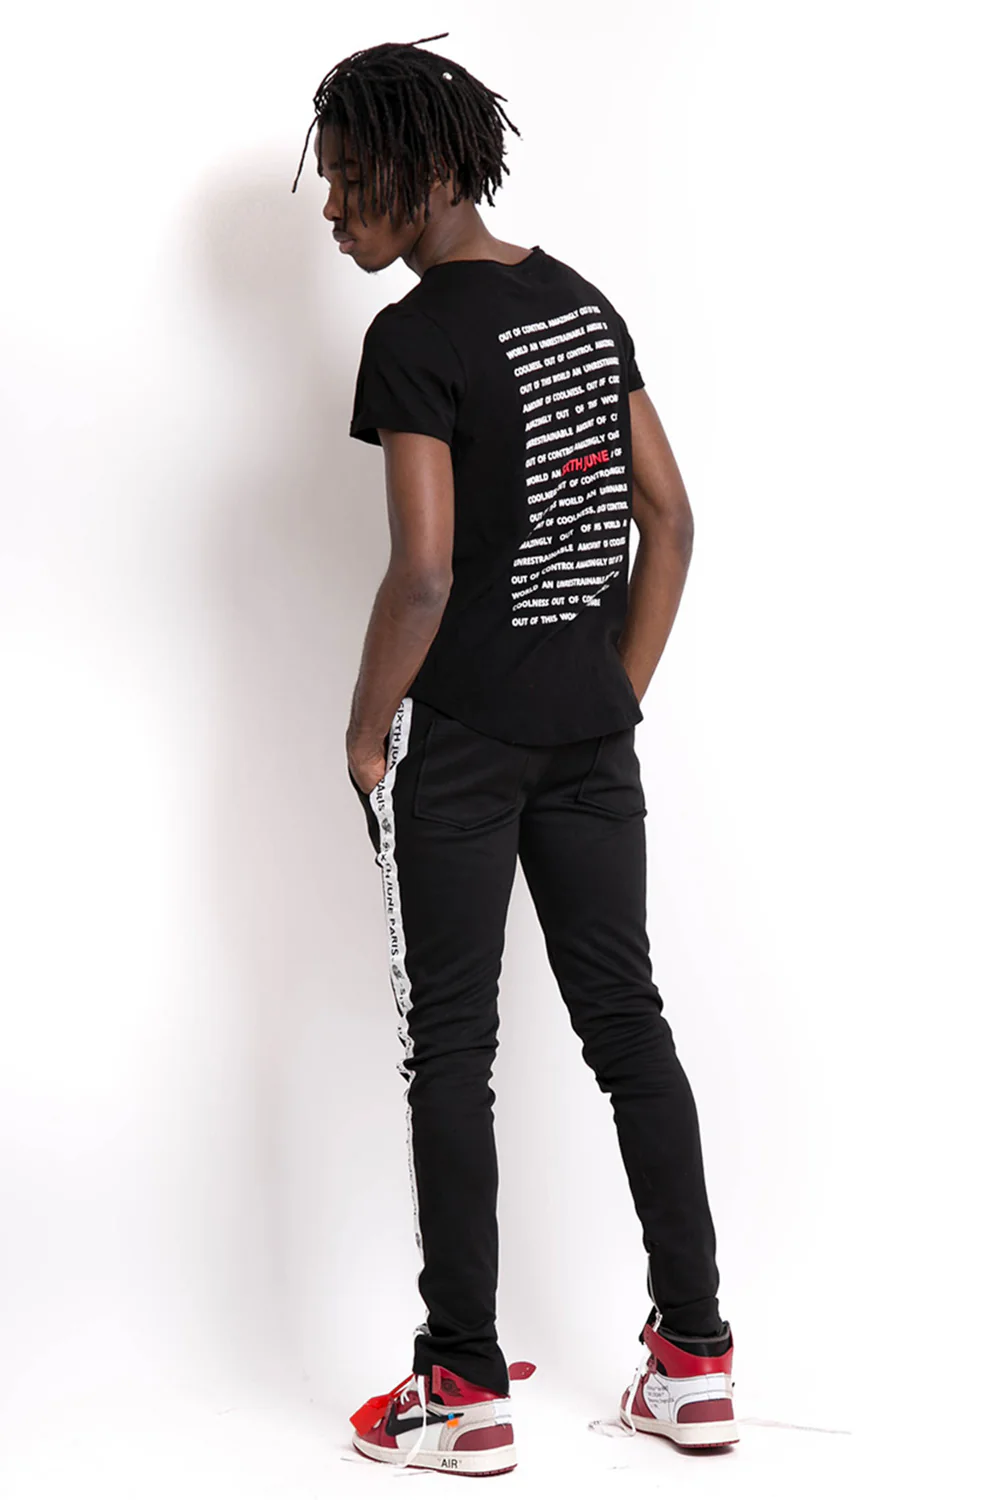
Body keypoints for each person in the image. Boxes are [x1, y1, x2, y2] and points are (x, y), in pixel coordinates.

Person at [292, 32, 737, 1476]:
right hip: (589, 737)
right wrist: (612, 693)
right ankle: (696, 1360)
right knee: (631, 1027)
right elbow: (671, 519)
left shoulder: (413, 341)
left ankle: (462, 1388)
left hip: (469, 749)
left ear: (422, 171)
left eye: (348, 177)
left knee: (451, 1050)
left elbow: (422, 573)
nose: (331, 207)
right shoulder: (581, 303)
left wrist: (366, 727)